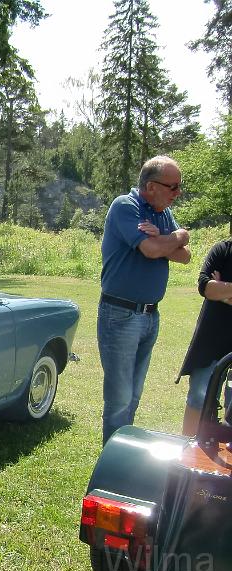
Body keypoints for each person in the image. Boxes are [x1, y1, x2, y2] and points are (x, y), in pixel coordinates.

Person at [98, 155, 191, 445]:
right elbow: (151, 250)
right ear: (151, 186)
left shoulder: (161, 214)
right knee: (120, 397)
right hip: (121, 314)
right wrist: (174, 238)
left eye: (179, 186)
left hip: (150, 316)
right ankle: (112, 464)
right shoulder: (126, 206)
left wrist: (170, 235)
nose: (178, 193)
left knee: (134, 393)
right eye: (172, 187)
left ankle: (122, 451)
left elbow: (185, 255)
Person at [177, 238, 232, 435]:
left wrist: (223, 291)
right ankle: (188, 449)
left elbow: (215, 290)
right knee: (198, 399)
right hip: (211, 339)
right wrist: (215, 289)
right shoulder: (222, 250)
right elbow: (206, 287)